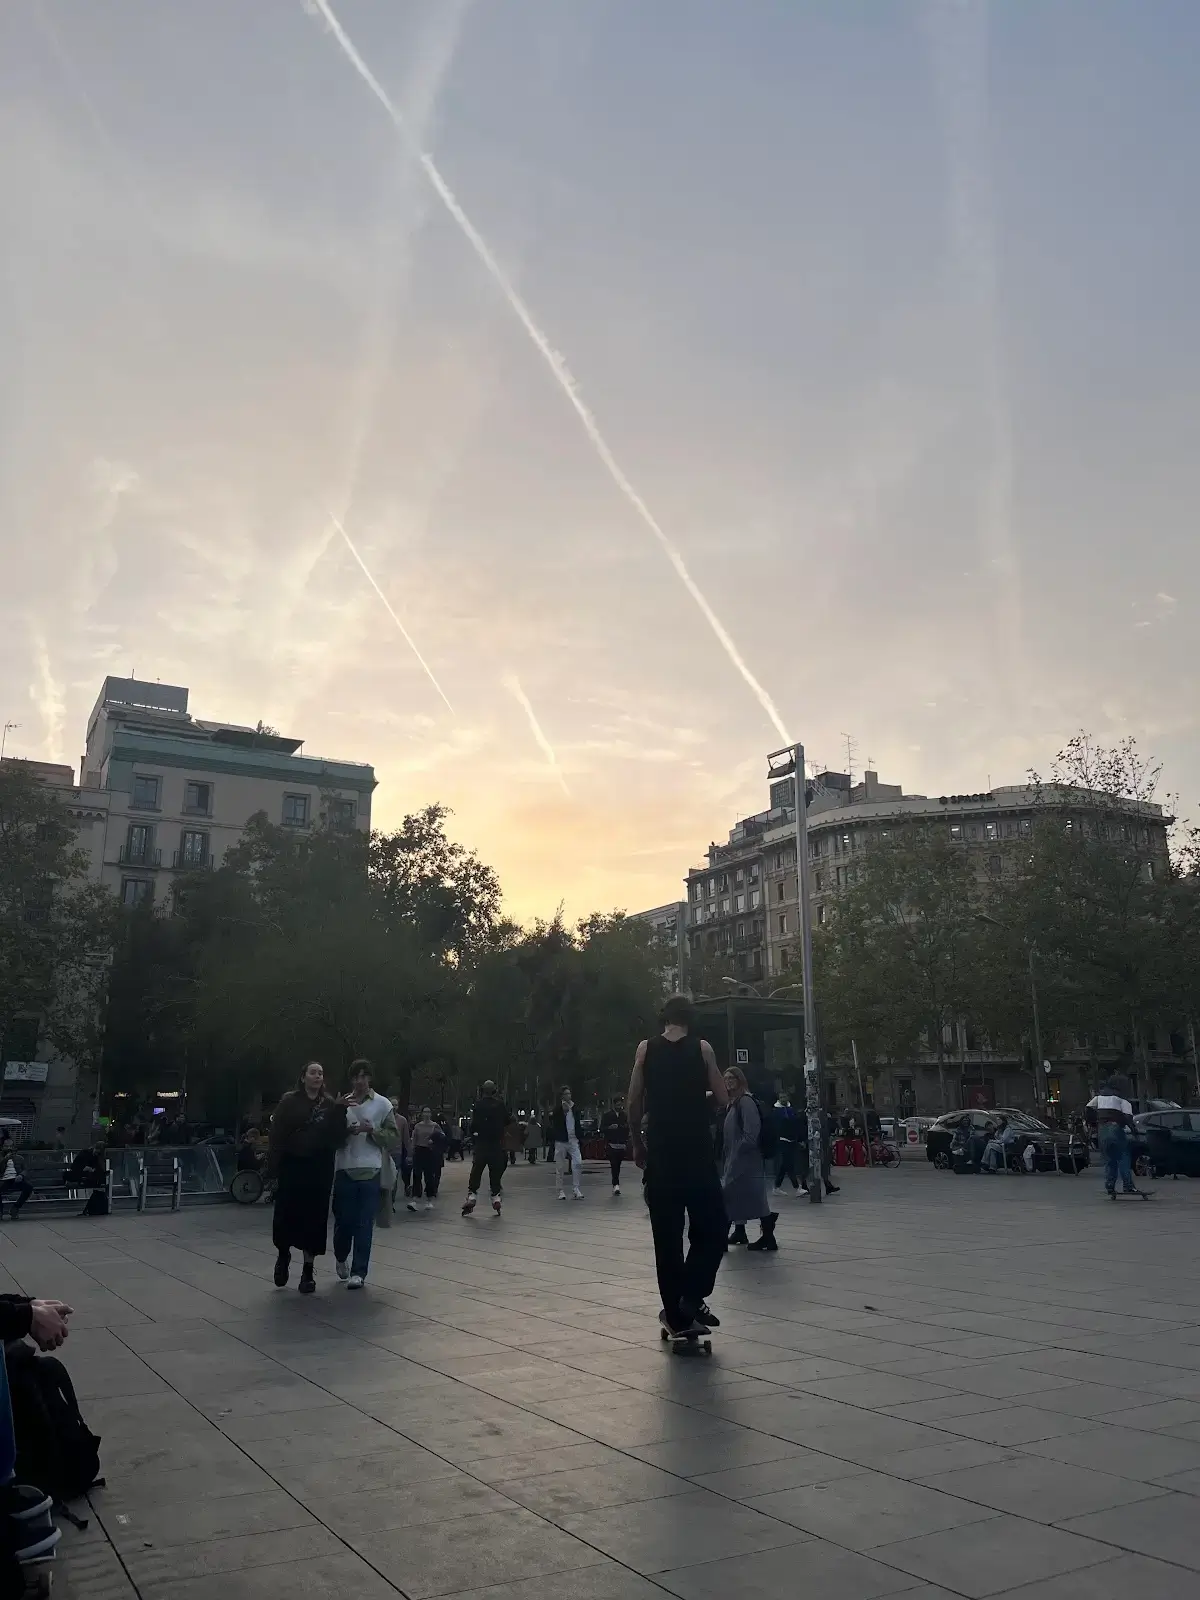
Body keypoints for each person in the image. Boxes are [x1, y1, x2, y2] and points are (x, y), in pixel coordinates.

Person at [628, 996, 729, 1336]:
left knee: (667, 1237)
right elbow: (723, 1097)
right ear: (690, 1020)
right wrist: (698, 1098)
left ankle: (675, 1315)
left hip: (661, 1155)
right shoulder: (703, 1049)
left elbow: (633, 1101)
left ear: (664, 1019)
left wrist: (637, 1143)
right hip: (697, 1153)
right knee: (713, 1225)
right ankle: (692, 1295)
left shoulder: (645, 1050)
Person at [268, 1062, 349, 1294]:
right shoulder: (289, 1101)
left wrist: (340, 1111)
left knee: (314, 1219)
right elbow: (276, 1135)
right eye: (313, 1072)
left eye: (320, 1073)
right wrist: (273, 1168)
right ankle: (283, 1256)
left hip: (319, 1168)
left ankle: (307, 1271)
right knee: (286, 1215)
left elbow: (337, 1137)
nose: (317, 1076)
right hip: (292, 1166)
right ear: (303, 1077)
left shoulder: (330, 1104)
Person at [332, 1060, 397, 1289]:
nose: (359, 1081)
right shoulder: (342, 1103)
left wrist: (373, 1131)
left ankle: (359, 1272)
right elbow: (329, 1136)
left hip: (371, 1169)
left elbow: (393, 1137)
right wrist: (343, 1126)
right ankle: (341, 1256)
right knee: (344, 1221)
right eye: (355, 1077)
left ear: (370, 1078)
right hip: (344, 1168)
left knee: (364, 1223)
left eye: (363, 1076)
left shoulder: (383, 1104)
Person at [721, 1068, 777, 1252]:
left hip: (745, 1160)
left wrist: (738, 1152)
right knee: (744, 1197)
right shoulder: (734, 1102)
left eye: (732, 1078)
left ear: (740, 1080)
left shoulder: (745, 1102)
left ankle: (765, 1237)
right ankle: (743, 1232)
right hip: (737, 1158)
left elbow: (751, 1133)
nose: (728, 1081)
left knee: (730, 1195)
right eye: (726, 1078)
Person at [462, 1081, 511, 1216]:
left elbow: (474, 1124)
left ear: (483, 1091)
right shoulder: (500, 1105)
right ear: (494, 1091)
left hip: (482, 1142)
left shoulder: (478, 1105)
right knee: (495, 1171)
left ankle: (472, 1194)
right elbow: (507, 1120)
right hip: (495, 1143)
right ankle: (495, 1196)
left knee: (477, 1169)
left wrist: (474, 1133)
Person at [1088, 1078, 1138, 1196]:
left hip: (1102, 1130)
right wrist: (1133, 1130)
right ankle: (1128, 1186)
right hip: (1116, 1129)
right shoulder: (1122, 1101)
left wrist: (1094, 1123)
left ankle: (1110, 1185)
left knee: (1109, 1159)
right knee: (1123, 1157)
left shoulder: (1098, 1098)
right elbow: (1128, 1118)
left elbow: (1088, 1109)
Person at [408, 1107, 445, 1212]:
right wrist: (411, 1152)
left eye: (428, 1112)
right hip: (419, 1151)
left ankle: (429, 1199)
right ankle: (415, 1199)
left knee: (429, 1176)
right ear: (422, 1113)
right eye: (425, 1112)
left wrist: (434, 1140)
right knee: (417, 1175)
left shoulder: (435, 1125)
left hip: (430, 1152)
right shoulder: (418, 1126)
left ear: (431, 1114)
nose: (426, 1114)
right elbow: (414, 1139)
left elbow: (442, 1136)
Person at [552, 1087, 585, 1201]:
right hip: (561, 1141)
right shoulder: (558, 1108)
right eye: (566, 1094)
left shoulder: (574, 1107)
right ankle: (560, 1190)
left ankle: (576, 1188)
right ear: (562, 1096)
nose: (568, 1096)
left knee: (578, 1163)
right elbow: (555, 1121)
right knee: (560, 1166)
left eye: (569, 1093)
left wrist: (580, 1136)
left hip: (573, 1140)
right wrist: (564, 1112)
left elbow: (577, 1122)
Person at [772, 1092, 802, 1196]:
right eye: (781, 1097)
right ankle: (796, 1187)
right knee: (789, 1164)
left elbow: (796, 1123)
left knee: (785, 1165)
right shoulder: (776, 1110)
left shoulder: (791, 1109)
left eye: (784, 1097)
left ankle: (777, 1186)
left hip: (792, 1140)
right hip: (783, 1139)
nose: (783, 1099)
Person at [600, 1094, 630, 1195]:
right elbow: (602, 1128)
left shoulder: (624, 1115)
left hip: (621, 1143)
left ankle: (616, 1182)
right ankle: (615, 1184)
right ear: (614, 1105)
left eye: (620, 1104)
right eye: (617, 1104)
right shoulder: (607, 1115)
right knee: (613, 1164)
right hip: (611, 1143)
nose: (619, 1106)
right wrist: (609, 1128)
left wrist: (621, 1128)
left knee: (618, 1164)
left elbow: (627, 1127)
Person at [0, 1140, 33, 1222]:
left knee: (28, 1187)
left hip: (16, 1179)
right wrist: (5, 1159)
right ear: (2, 1147)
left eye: (10, 1146)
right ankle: (0, 1212)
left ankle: (15, 1208)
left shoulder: (19, 1158)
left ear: (13, 1147)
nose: (9, 1148)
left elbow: (26, 1169)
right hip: (3, 1181)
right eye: (6, 1146)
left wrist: (21, 1175)